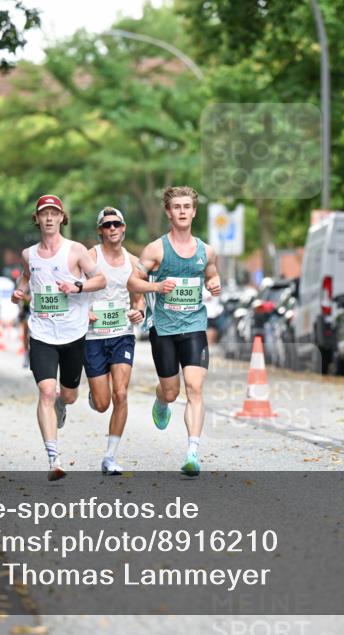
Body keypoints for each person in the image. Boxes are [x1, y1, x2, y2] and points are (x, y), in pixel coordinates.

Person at [10, 195, 105, 480]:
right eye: (44, 214)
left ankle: (64, 404)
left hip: (74, 333)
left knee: (69, 394)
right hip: (41, 333)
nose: (49, 218)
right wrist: (19, 291)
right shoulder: (29, 254)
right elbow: (26, 278)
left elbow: (100, 280)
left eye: (54, 213)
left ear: (62, 218)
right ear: (36, 219)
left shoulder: (75, 251)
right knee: (46, 392)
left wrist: (78, 286)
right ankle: (53, 458)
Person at [127, 186, 221, 476]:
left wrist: (215, 283)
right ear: (169, 213)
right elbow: (133, 281)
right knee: (172, 391)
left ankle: (192, 451)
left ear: (194, 211)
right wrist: (155, 286)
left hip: (194, 326)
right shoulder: (156, 249)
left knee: (195, 387)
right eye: (176, 207)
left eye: (186, 206)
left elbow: (212, 274)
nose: (182, 211)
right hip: (164, 328)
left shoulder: (206, 251)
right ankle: (161, 399)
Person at [84, 207, 146, 475]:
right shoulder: (89, 257)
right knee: (102, 404)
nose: (112, 229)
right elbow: (74, 287)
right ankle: (94, 394)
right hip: (93, 336)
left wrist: (139, 310)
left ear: (123, 228)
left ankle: (110, 457)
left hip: (122, 334)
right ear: (100, 230)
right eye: (107, 225)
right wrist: (83, 310)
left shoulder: (134, 262)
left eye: (116, 224)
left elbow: (139, 296)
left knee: (120, 394)